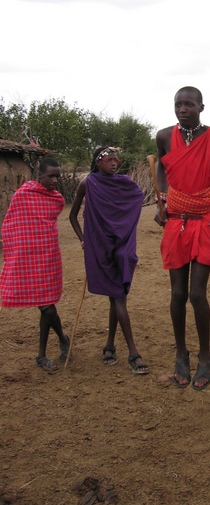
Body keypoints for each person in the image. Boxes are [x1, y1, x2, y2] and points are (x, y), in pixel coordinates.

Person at [155, 86, 210, 390]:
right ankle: (181, 354)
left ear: (201, 108)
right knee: (177, 295)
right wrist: (162, 200)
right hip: (177, 223)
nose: (182, 109)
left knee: (196, 294)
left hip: (206, 222)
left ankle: (205, 356)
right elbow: (161, 166)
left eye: (189, 105)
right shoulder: (164, 136)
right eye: (178, 104)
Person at [69, 146, 149, 374]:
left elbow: (137, 199)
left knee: (117, 296)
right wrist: (84, 239)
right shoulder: (88, 183)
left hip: (122, 247)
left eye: (116, 160)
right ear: (98, 162)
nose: (114, 163)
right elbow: (72, 216)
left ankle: (111, 346)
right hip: (100, 248)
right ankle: (132, 354)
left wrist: (123, 224)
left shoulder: (125, 183)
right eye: (109, 159)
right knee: (117, 297)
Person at [0, 158, 70, 374]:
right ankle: (59, 342)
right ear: (39, 176)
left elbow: (45, 224)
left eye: (58, 176)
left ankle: (48, 351)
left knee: (46, 304)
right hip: (28, 258)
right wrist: (14, 251)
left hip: (48, 255)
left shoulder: (57, 200)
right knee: (46, 306)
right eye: (51, 176)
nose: (55, 180)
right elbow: (13, 223)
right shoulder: (23, 195)